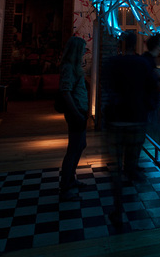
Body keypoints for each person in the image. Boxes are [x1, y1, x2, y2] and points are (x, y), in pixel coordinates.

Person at [103, 32, 160, 227]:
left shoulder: (112, 62)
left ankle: (118, 209)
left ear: (121, 44)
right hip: (136, 118)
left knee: (116, 169)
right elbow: (153, 86)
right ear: (135, 45)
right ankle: (135, 196)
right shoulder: (142, 63)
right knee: (131, 163)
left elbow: (106, 87)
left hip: (115, 119)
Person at [58, 36, 88, 201]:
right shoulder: (69, 68)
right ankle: (65, 187)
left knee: (80, 145)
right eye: (82, 49)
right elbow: (66, 92)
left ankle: (70, 179)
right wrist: (76, 113)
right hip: (76, 112)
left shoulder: (73, 67)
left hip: (79, 111)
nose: (84, 52)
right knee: (74, 148)